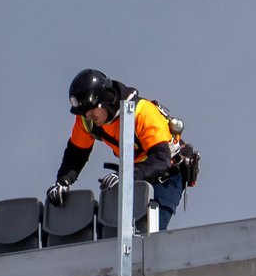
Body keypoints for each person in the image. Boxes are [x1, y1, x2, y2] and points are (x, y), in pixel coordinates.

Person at [46, 68, 195, 229]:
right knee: (118, 229)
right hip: (136, 174)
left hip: (167, 175)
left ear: (104, 100)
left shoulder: (142, 113)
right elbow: (76, 153)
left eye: (90, 110)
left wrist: (126, 176)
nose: (87, 116)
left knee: (151, 230)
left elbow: (160, 160)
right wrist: (63, 181)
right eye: (83, 112)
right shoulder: (87, 120)